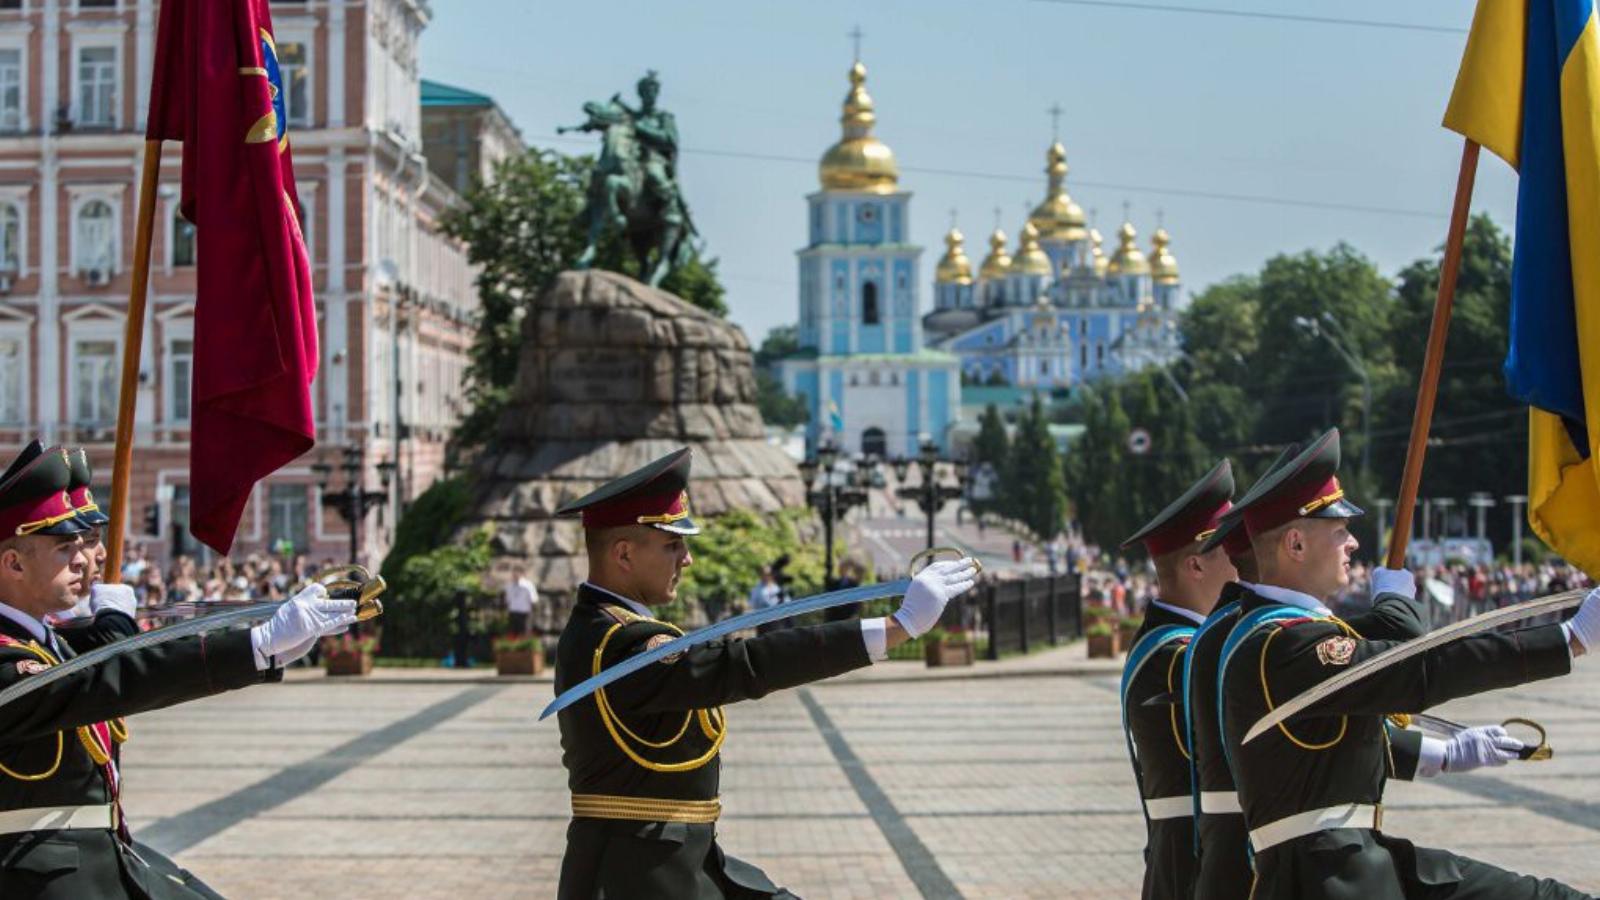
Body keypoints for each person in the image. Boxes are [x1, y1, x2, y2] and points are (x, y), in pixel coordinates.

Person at [551, 447, 978, 899]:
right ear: (623, 555)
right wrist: (897, 627)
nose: (687, 559)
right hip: (633, 880)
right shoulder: (621, 644)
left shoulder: (607, 629)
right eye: (673, 544)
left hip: (682, 865)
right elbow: (747, 665)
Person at [1220, 428, 1596, 899]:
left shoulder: (1283, 635)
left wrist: (1446, 754)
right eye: (1340, 531)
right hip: (1323, 878)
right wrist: (1568, 638)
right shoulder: (1279, 644)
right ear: (1295, 545)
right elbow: (1414, 669)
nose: (1353, 543)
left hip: (1352, 860)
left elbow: (1345, 728)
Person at [0, 444, 361, 898]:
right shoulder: (9, 660)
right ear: (13, 563)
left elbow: (107, 664)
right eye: (63, 547)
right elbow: (109, 680)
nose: (83, 559)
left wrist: (263, 650)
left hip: (100, 860)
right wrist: (254, 646)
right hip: (36, 879)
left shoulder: (50, 643)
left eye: (84, 543)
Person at [1117, 460, 1239, 900]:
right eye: (1232, 548)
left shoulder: (1173, 644)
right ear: (1196, 567)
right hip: (1195, 868)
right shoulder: (1179, 653)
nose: (1245, 557)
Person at [504, 564, 538, 635]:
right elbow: (508, 600)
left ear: (522, 573)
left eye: (517, 572)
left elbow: (534, 600)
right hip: (513, 612)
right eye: (514, 572)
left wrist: (532, 612)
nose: (515, 574)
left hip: (524, 613)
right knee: (512, 634)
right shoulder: (509, 585)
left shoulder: (528, 585)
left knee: (524, 633)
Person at [747, 565, 781, 634]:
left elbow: (785, 603)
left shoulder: (777, 588)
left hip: (778, 623)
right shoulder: (756, 590)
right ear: (761, 575)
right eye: (764, 574)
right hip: (763, 623)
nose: (767, 576)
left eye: (769, 574)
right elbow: (751, 606)